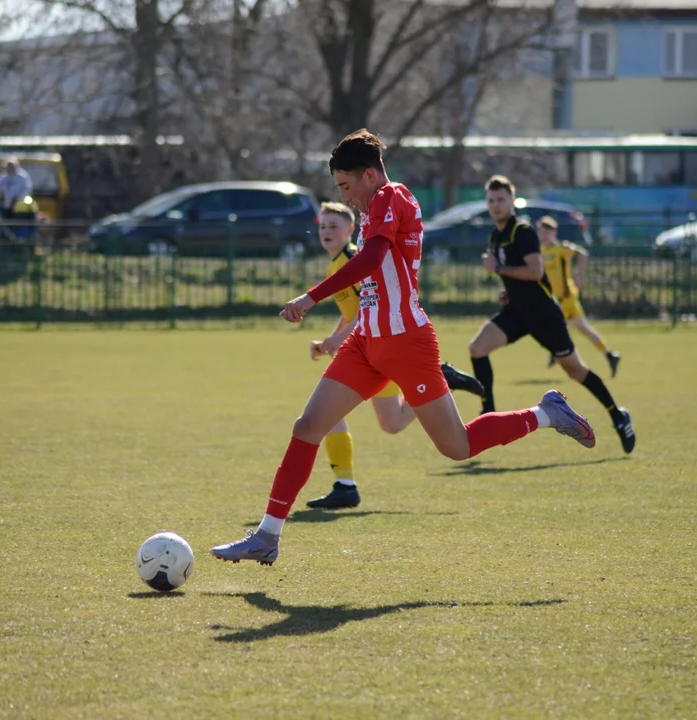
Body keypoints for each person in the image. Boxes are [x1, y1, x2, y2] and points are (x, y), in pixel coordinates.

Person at [210, 129, 596, 566]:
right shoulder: (377, 201)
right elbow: (372, 264)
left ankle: (547, 413)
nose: (346, 197)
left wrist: (309, 297)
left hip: (405, 342)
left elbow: (372, 259)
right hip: (367, 341)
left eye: (346, 186)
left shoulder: (390, 198)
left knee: (457, 447)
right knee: (307, 427)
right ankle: (267, 536)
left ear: (370, 175)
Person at [305, 201, 485, 510]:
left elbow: (371, 307)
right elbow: (352, 312)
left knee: (327, 415)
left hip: (375, 345)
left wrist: (338, 340)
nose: (326, 231)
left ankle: (345, 486)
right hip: (363, 344)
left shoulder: (352, 258)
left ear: (351, 230)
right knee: (391, 424)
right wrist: (330, 340)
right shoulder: (334, 264)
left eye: (333, 226)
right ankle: (443, 379)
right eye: (322, 226)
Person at [467, 175, 635, 455]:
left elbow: (535, 272)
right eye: (491, 200)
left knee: (575, 370)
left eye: (501, 200)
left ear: (512, 200)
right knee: (477, 348)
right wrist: (505, 288)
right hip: (516, 313)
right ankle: (489, 417)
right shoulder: (495, 236)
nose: (496, 205)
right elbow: (509, 271)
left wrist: (498, 270)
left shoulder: (523, 232)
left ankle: (617, 415)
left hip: (544, 315)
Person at [536, 215, 621, 377]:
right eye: (541, 232)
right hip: (552, 300)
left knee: (582, 329)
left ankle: (609, 355)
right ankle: (557, 351)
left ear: (554, 233)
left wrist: (578, 274)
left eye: (547, 232)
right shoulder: (540, 251)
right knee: (548, 327)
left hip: (566, 299)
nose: (543, 235)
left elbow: (583, 253)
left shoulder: (561, 248)